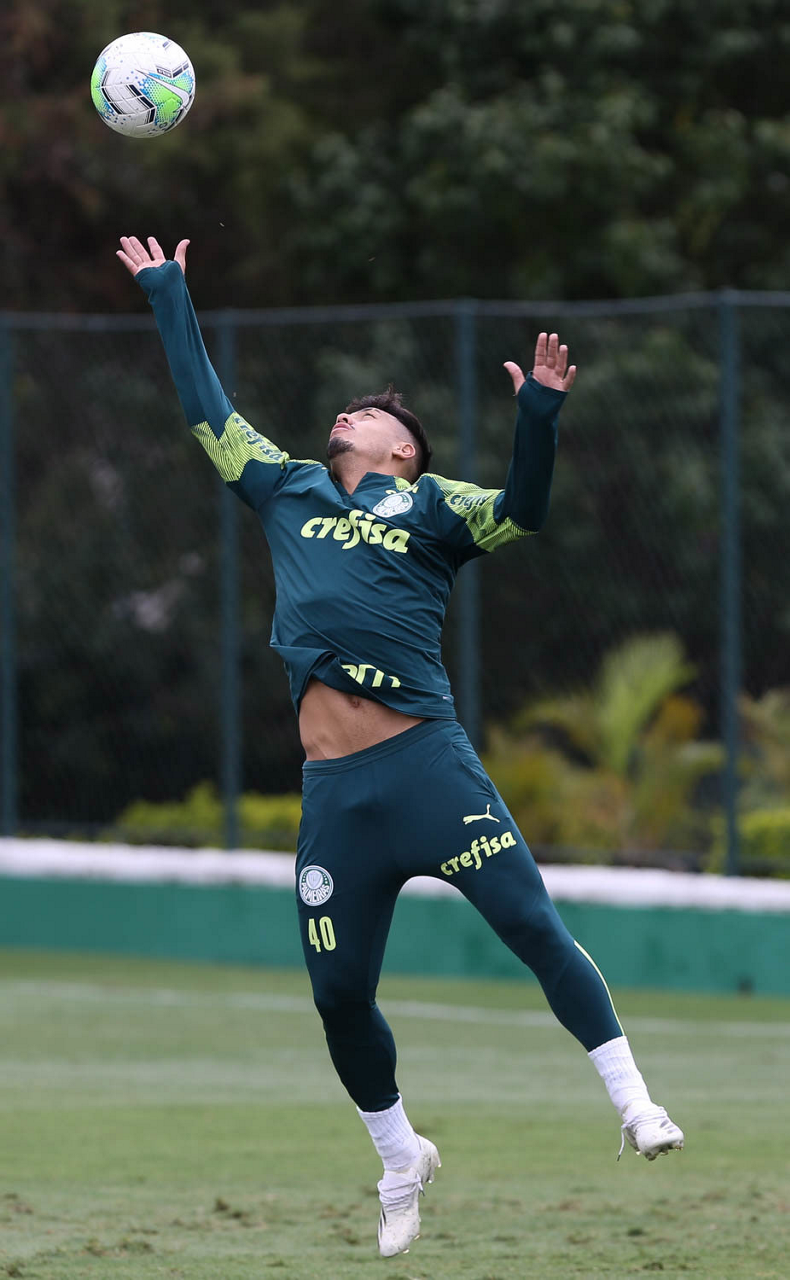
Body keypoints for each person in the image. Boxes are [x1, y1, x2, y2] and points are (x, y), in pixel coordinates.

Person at [117, 235, 684, 1259]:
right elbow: (206, 409)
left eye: (368, 413)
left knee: (532, 925)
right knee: (339, 996)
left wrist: (539, 416)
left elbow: (523, 512)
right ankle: (398, 1158)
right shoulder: (285, 486)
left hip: (428, 768)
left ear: (402, 450)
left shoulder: (434, 504)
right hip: (337, 794)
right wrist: (168, 294)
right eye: (346, 410)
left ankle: (635, 1103)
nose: (347, 414)